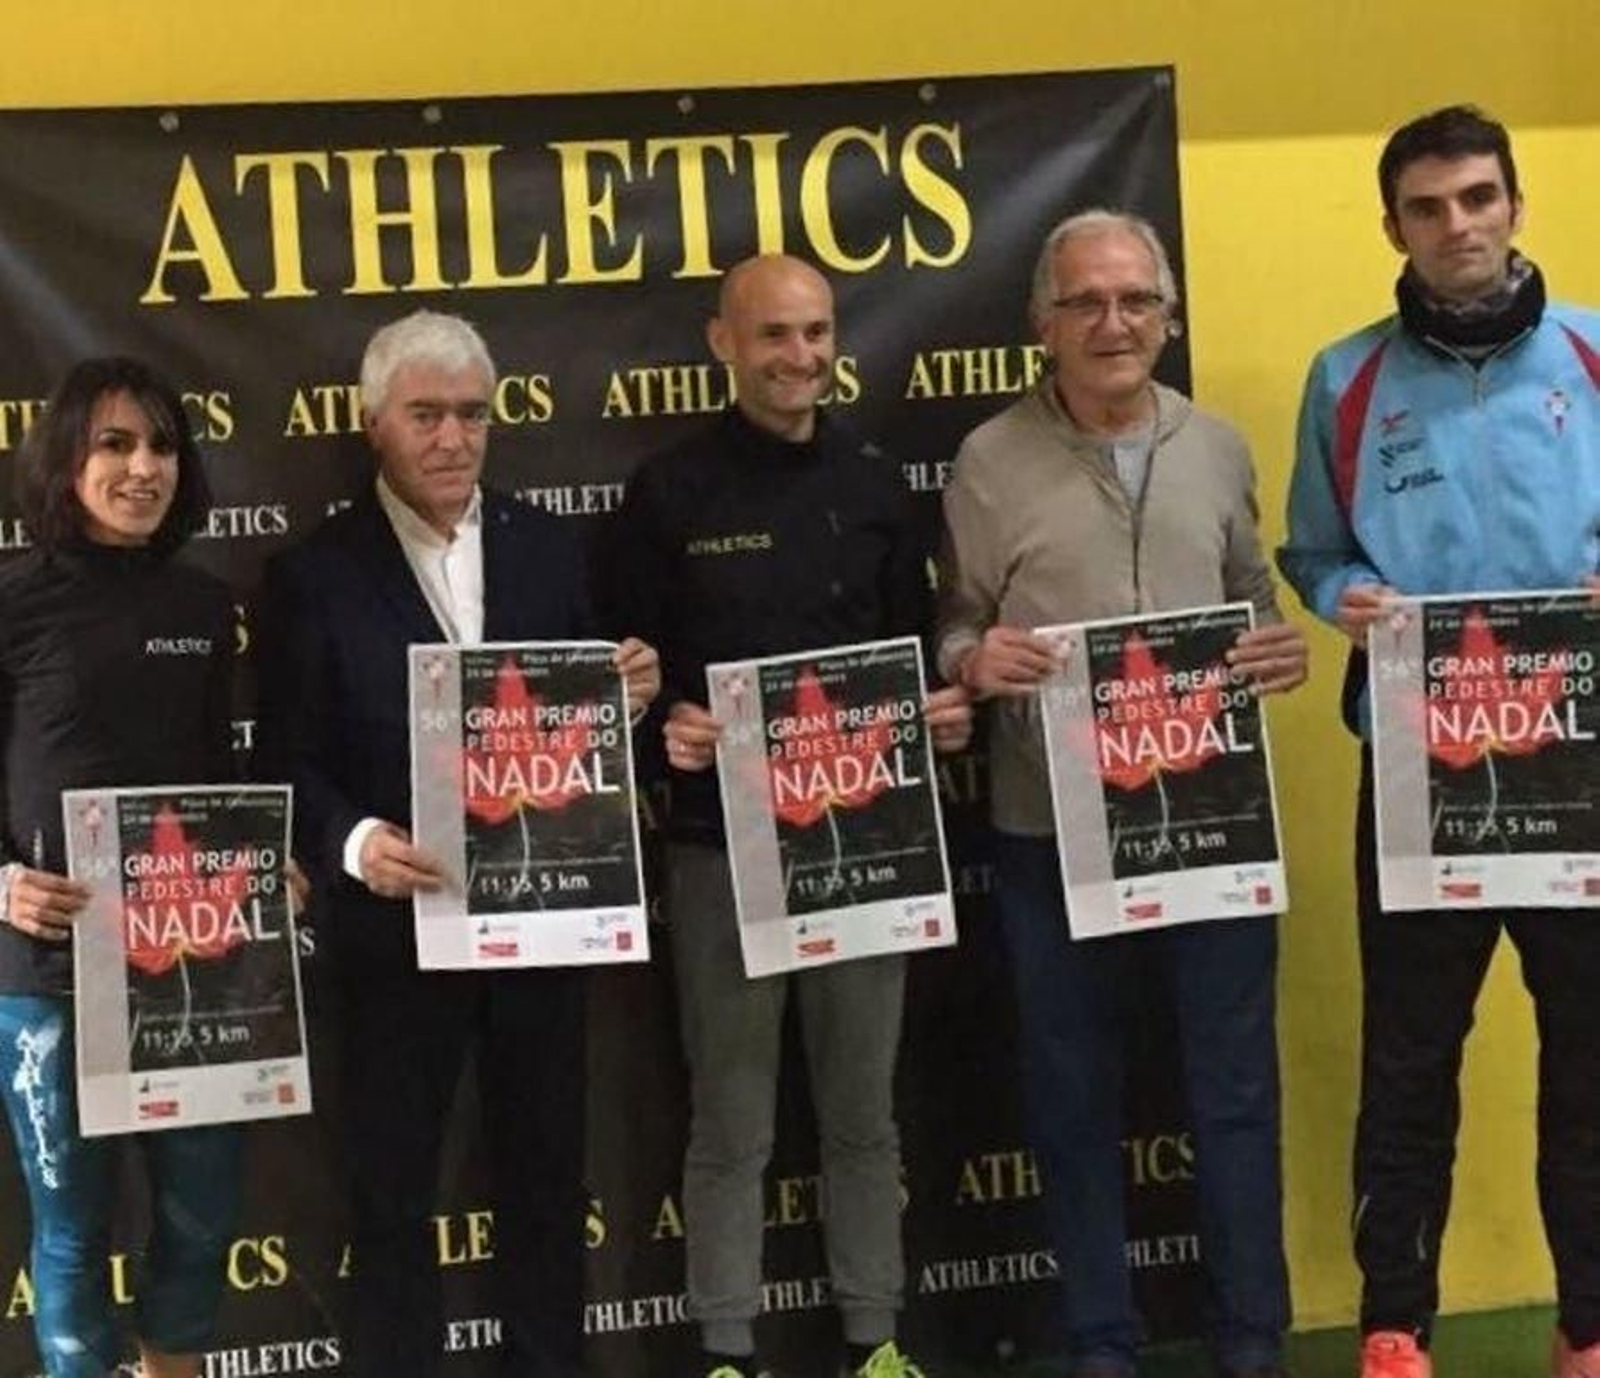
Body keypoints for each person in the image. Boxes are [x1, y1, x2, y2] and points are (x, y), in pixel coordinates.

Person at [936, 210, 1307, 1378]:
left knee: (1233, 1090)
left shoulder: (1219, 446)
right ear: (1041, 324)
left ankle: (1251, 1337)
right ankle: (1101, 1341)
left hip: (1211, 825)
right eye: (1085, 302)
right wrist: (969, 659)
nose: (1113, 322)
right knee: (1070, 1096)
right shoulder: (988, 459)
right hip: (1049, 828)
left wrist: (1277, 648)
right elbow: (955, 619)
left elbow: (1253, 601)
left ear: (1168, 316)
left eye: (1136, 299)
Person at [255, 309, 659, 1378]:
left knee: (546, 1176)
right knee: (391, 1191)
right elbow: (285, 759)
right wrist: (353, 843)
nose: (452, 438)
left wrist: (628, 699)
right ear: (372, 423)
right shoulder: (314, 572)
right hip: (396, 927)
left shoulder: (549, 547)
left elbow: (585, 731)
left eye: (472, 415)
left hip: (543, 919)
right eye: (425, 414)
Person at [605, 253, 971, 1378]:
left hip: (867, 842)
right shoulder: (665, 493)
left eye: (815, 332)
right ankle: (726, 1350)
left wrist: (939, 713)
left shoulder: (875, 484)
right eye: (773, 334)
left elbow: (914, 660)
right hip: (720, 848)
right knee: (732, 1119)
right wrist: (660, 722)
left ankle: (875, 1343)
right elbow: (624, 681)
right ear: (724, 344)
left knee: (865, 1114)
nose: (799, 355)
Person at [1278, 105, 1600, 1378]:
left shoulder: (1591, 351)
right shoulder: (1345, 377)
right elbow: (1311, 549)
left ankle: (1587, 1325)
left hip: (1577, 762)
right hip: (1422, 769)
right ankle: (1394, 1325)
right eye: (1427, 207)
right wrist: (1340, 594)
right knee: (1410, 1058)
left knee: (1588, 1057)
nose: (1456, 224)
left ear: (1515, 203)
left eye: (1476, 197)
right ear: (1392, 226)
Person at [0, 357, 242, 1378]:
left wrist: (263, 870)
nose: (145, 467)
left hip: (193, 966)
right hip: (49, 973)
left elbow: (224, 776)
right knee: (71, 1230)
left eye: (163, 446)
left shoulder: (206, 603)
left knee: (203, 1216)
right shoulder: (13, 603)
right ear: (66, 460)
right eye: (116, 444)